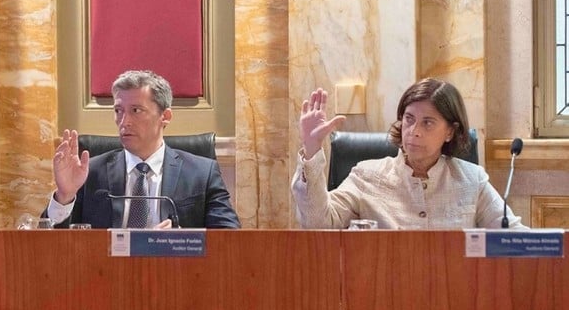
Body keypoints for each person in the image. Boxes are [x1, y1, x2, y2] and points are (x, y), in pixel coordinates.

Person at [292, 78, 525, 229]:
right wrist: (312, 148)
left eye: (428, 123)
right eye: (409, 119)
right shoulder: (366, 176)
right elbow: (317, 223)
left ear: (450, 132)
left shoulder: (472, 180)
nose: (414, 132)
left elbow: (515, 237)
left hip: (453, 295)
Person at [45, 70, 240, 229]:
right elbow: (54, 247)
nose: (124, 122)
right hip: (105, 275)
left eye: (136, 111)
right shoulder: (90, 173)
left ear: (165, 116)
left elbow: (229, 240)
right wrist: (65, 196)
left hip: (175, 274)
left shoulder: (201, 173)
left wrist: (183, 242)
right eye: (118, 111)